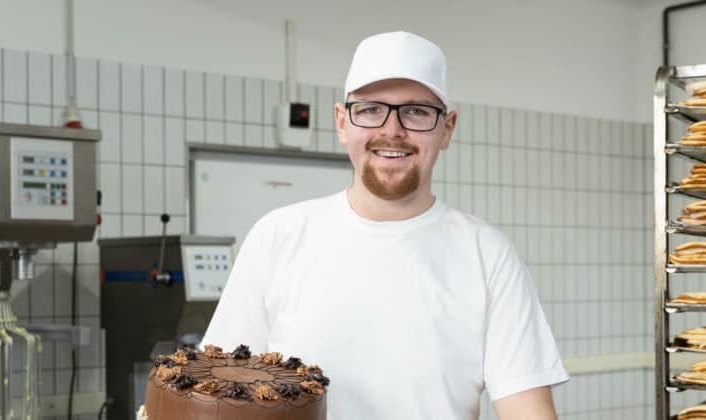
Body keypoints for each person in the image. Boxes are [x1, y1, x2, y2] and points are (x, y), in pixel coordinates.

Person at [202, 31, 568, 420]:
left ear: (448, 128)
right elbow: (220, 393)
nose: (392, 129)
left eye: (416, 112)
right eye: (371, 109)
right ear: (342, 122)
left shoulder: (486, 254)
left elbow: (528, 411)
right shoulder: (277, 237)